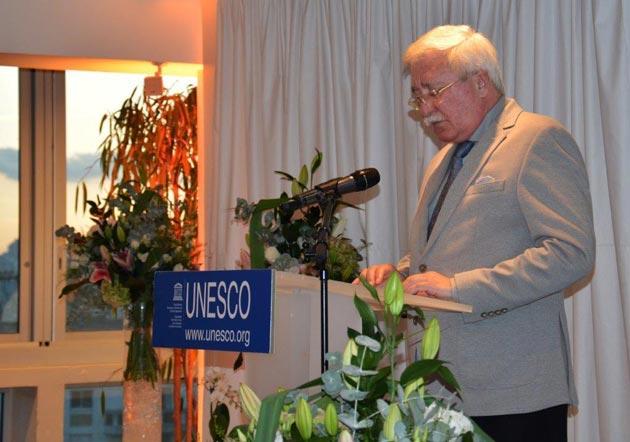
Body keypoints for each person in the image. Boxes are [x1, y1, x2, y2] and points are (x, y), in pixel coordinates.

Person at [354, 25, 595, 441]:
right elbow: (439, 253)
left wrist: (458, 288)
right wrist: (401, 274)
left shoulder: (536, 139)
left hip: (514, 393)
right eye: (418, 97)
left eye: (434, 91)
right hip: (439, 392)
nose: (425, 109)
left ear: (480, 81)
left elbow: (571, 253)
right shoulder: (441, 161)